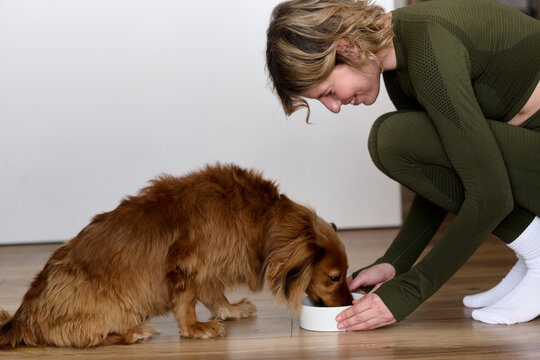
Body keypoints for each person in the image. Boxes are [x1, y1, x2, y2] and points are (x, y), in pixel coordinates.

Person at [266, 0, 540, 330]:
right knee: (401, 140)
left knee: (391, 138)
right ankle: (532, 253)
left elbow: (491, 194)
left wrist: (407, 293)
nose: (334, 107)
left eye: (328, 92)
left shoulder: (430, 49)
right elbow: (448, 168)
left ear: (347, 48)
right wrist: (396, 263)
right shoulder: (401, 60)